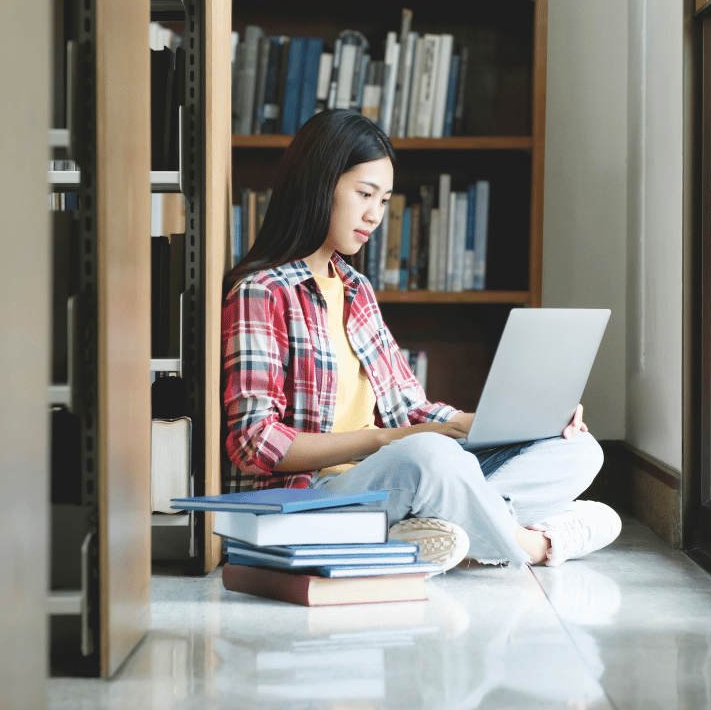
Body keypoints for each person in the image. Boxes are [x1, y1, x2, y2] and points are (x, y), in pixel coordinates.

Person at [221, 109, 620, 571]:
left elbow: (413, 408)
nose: (374, 215)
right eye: (364, 193)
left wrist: (515, 423)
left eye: (385, 199)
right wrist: (384, 440)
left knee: (579, 450)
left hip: (392, 485)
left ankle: (432, 531)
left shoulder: (355, 289)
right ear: (317, 184)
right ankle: (531, 544)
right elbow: (254, 443)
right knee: (429, 455)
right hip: (314, 497)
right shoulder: (262, 292)